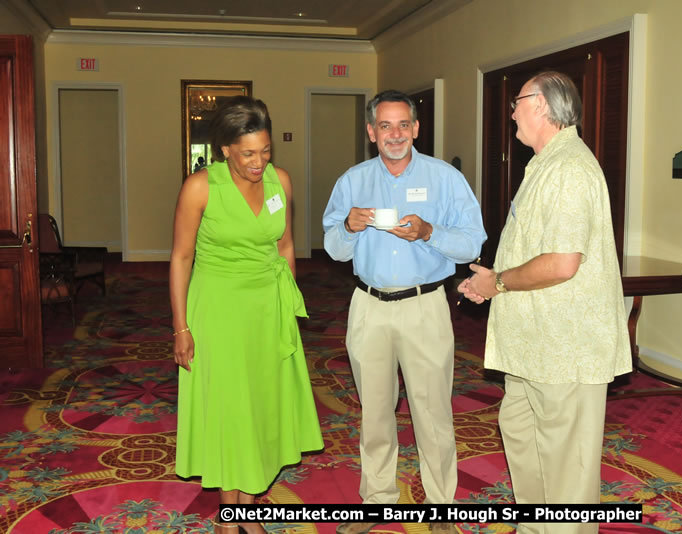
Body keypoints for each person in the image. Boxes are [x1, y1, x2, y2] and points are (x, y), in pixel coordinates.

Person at [458, 72, 631, 534]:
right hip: (533, 345)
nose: (511, 111)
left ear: (541, 105)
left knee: (566, 466)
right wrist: (489, 283)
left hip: (565, 345)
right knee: (520, 432)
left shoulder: (571, 168)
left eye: (517, 102)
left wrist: (499, 283)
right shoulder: (544, 163)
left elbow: (560, 264)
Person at [323, 89, 486, 534]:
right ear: (371, 132)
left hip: (424, 305)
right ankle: (376, 502)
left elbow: (473, 243)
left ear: (416, 129)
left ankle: (440, 509)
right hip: (369, 305)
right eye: (384, 126)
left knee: (432, 411)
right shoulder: (352, 181)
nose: (394, 134)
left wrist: (430, 232)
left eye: (403, 125)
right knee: (373, 410)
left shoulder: (445, 179)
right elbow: (334, 250)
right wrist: (348, 227)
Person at [170, 96, 323, 534]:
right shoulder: (200, 187)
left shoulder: (282, 183)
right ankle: (229, 515)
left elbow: (286, 246)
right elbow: (181, 259)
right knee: (230, 407)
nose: (259, 163)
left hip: (267, 306)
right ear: (225, 150)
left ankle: (250, 504)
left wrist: (288, 307)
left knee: (264, 404)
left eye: (266, 151)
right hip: (218, 308)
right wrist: (181, 328)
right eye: (248, 154)